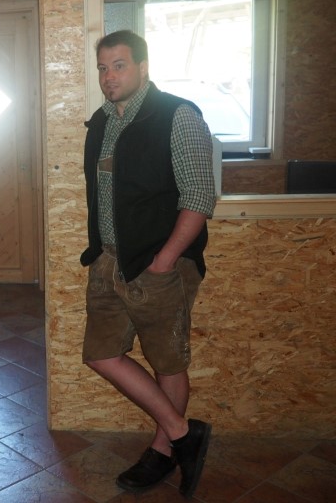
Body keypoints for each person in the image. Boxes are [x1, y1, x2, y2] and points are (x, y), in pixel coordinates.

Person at [80, 30, 216, 499]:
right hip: (109, 261)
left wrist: (164, 260)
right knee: (100, 354)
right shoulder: (102, 121)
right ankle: (183, 433)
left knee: (167, 362)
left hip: (161, 266)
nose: (109, 76)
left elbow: (199, 197)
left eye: (119, 65)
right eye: (103, 67)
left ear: (143, 67)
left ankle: (162, 449)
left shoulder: (177, 115)